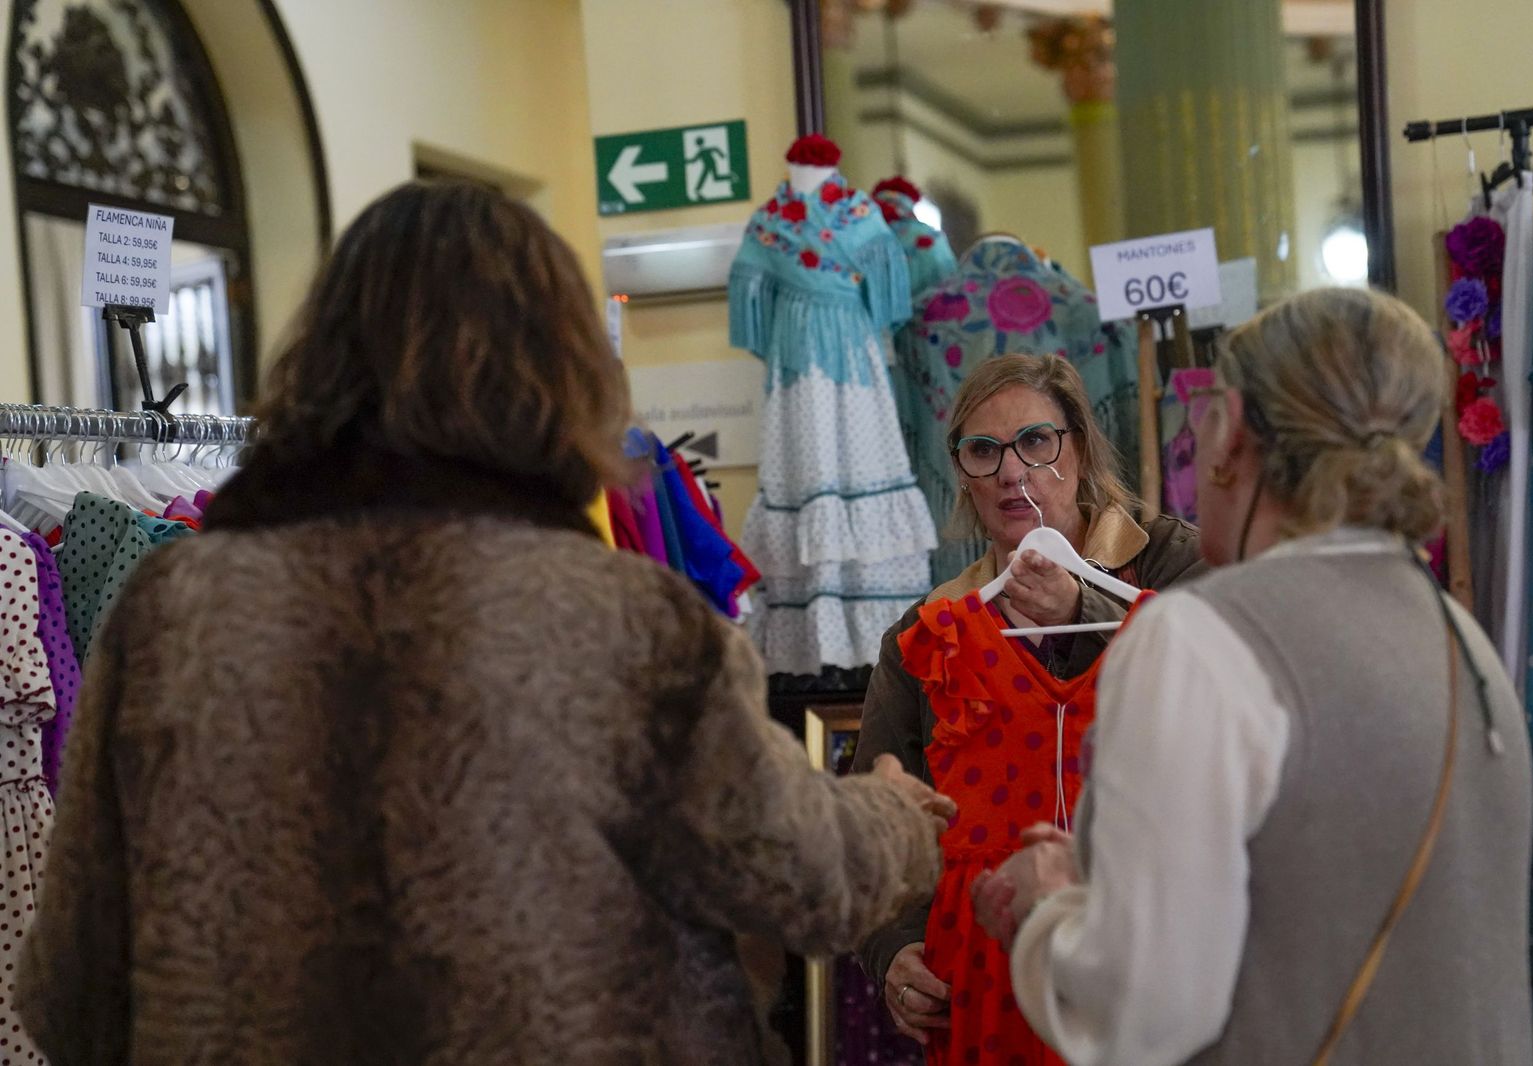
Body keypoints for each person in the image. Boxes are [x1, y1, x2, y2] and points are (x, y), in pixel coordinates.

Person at [17, 181, 954, 1065]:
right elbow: (799, 877)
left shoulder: (173, 611)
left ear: (323, 356)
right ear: (561, 370)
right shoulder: (623, 621)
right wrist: (895, 816)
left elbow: (70, 992)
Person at [973, 287, 1533, 1065]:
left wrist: (1046, 911)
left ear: (1229, 430)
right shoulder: (1461, 639)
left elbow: (1145, 1010)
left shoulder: (1200, 639)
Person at [852, 352, 1205, 1047]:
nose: (1012, 473)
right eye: (983, 451)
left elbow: (1218, 707)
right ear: (962, 472)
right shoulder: (925, 636)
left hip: (1157, 949)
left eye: (1036, 441)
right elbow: (877, 820)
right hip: (986, 978)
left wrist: (1085, 613)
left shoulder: (1175, 563)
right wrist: (893, 950)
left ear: (1080, 448)